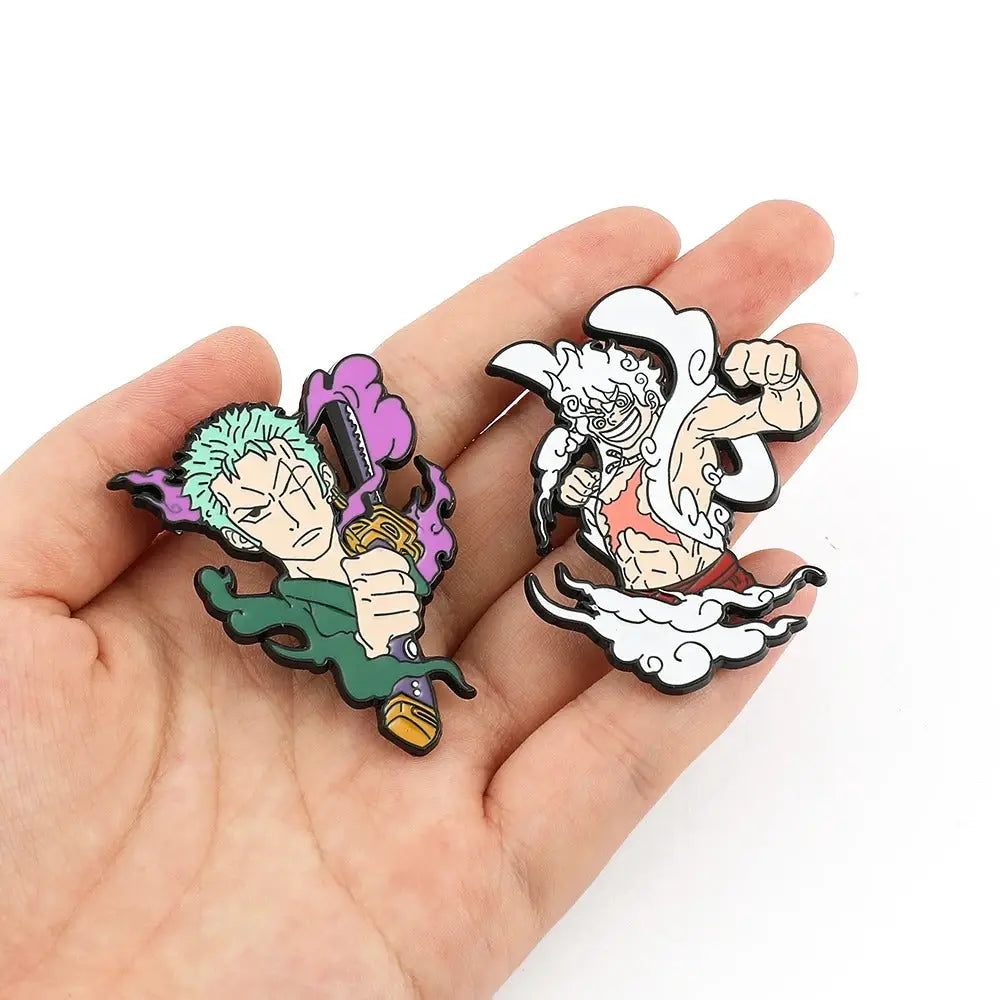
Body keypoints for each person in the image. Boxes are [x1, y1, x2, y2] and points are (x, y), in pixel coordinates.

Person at [0, 202, 856, 997]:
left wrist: (766, 388)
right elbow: (352, 640)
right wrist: (381, 638)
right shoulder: (291, 611)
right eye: (256, 511)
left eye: (293, 479)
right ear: (233, 531)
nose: (289, 507)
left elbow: (751, 421)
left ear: (318, 465)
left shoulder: (406, 522)